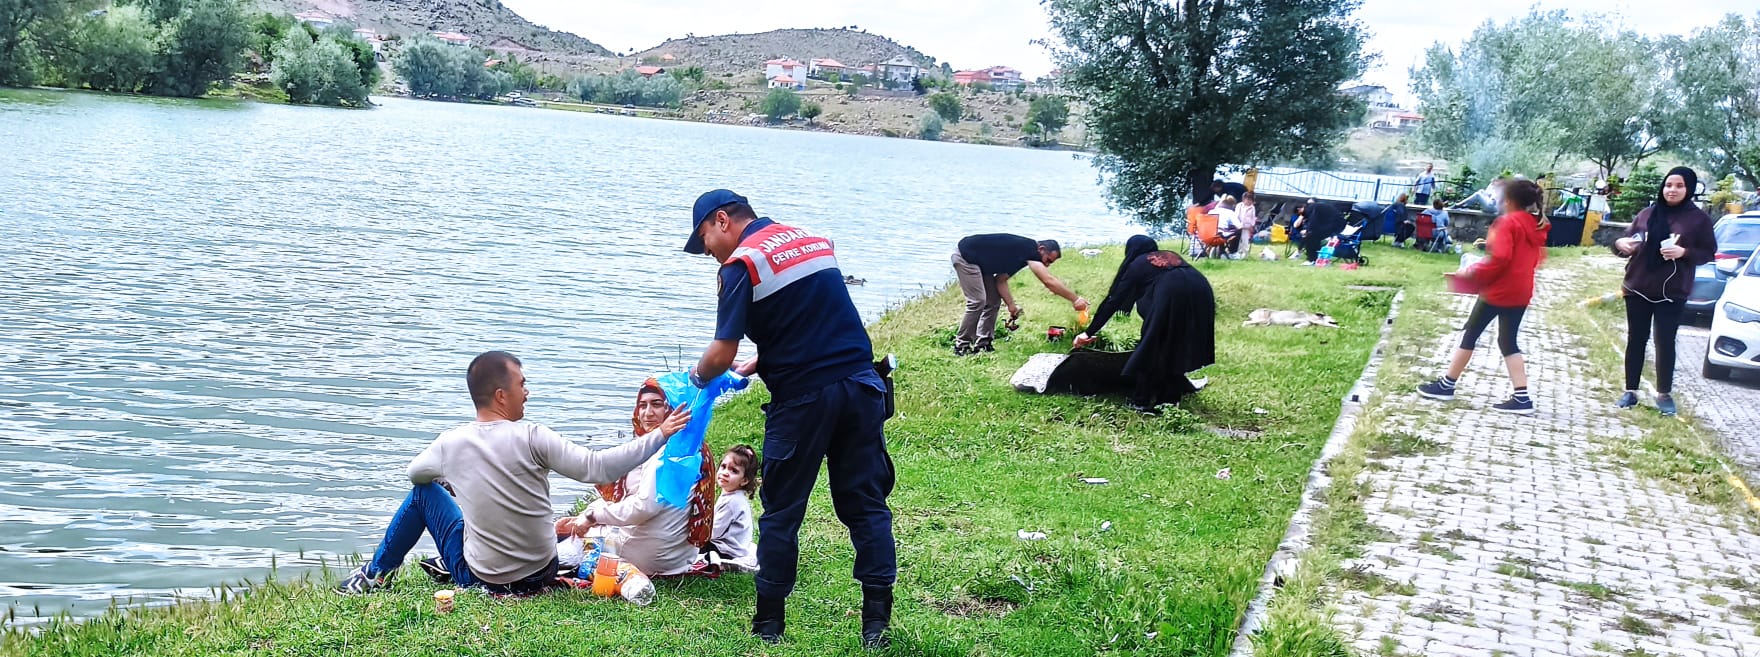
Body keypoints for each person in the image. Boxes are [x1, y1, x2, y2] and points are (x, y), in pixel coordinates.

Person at [682, 190, 896, 648]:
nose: (708, 254)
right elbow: (816, 318)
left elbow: (721, 351)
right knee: (867, 505)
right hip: (861, 387)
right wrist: (764, 359)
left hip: (802, 402)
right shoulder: (813, 241)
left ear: (722, 221)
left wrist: (696, 380)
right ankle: (877, 624)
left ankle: (769, 626)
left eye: (705, 242)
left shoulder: (741, 264)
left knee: (782, 513)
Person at [336, 351, 691, 596]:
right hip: (542, 569)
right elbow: (597, 467)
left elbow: (416, 475)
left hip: (484, 579)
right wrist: (660, 435)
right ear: (501, 395)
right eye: (522, 385)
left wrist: (455, 479)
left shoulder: (450, 444)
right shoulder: (535, 436)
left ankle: (377, 574)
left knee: (424, 495)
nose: (528, 392)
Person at [563, 378, 723, 578]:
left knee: (574, 538)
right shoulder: (692, 446)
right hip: (680, 556)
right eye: (642, 405)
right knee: (595, 511)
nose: (647, 413)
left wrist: (591, 517)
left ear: (673, 410)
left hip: (649, 557)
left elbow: (643, 507)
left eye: (657, 405)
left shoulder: (665, 453)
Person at [1416, 180, 1550, 414]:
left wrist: (1470, 273)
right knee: (1507, 341)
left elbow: (1500, 259)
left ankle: (1447, 385)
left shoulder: (1506, 223)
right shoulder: (1535, 224)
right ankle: (1522, 397)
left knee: (1470, 335)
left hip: (1498, 290)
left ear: (1507, 201)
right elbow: (1536, 258)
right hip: (1521, 290)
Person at [1612, 166, 1718, 416]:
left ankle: (1663, 394)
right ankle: (1630, 391)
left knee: (1665, 341)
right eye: (1669, 185)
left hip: (1672, 290)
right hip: (1638, 285)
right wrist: (1620, 243)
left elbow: (1708, 252)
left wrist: (1685, 253)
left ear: (1689, 189)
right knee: (1636, 339)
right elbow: (1627, 240)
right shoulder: (1648, 213)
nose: (1672, 190)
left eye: (1679, 186)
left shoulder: (1698, 220)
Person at [1072, 236, 1217, 413]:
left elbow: (1113, 300)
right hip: (1202, 290)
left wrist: (1088, 333)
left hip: (1172, 292)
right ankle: (1169, 402)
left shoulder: (1138, 263)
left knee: (1151, 347)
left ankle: (1141, 401)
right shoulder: (1169, 256)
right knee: (1176, 344)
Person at [951, 233, 1089, 355]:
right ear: (1041, 249)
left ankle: (983, 343)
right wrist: (1075, 299)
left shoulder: (1020, 257)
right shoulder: (1029, 249)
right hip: (966, 257)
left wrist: (1011, 306)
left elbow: (1001, 280)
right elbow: (1048, 281)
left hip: (982, 263)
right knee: (977, 301)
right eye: (1047, 260)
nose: (1046, 265)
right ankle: (961, 345)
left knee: (993, 301)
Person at [705, 444, 760, 572]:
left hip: (728, 550)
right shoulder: (732, 495)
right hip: (736, 546)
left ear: (744, 480)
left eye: (734, 471)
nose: (725, 473)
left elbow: (713, 533)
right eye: (723, 467)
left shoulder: (732, 503)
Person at [1299, 199, 1345, 265]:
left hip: (1335, 225)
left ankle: (1311, 259)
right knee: (1314, 236)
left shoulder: (1314, 208)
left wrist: (1307, 230)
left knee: (1310, 237)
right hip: (1335, 224)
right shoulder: (1319, 206)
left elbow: (1313, 220)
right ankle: (1316, 258)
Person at [1235, 191, 1260, 259]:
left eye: (1250, 200)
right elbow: (1236, 215)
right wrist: (1237, 224)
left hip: (1247, 227)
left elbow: (1253, 217)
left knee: (1245, 240)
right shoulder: (1239, 205)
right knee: (1238, 240)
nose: (1248, 201)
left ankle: (1245, 255)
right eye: (1247, 199)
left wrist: (1252, 225)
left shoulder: (1252, 207)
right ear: (1243, 199)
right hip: (1238, 226)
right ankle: (1237, 254)